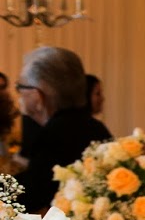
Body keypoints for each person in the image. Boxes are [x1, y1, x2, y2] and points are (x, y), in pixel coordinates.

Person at [12, 46, 111, 211]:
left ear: (38, 96)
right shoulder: (95, 127)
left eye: (20, 87)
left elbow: (31, 194)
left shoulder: (53, 135)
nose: (19, 94)